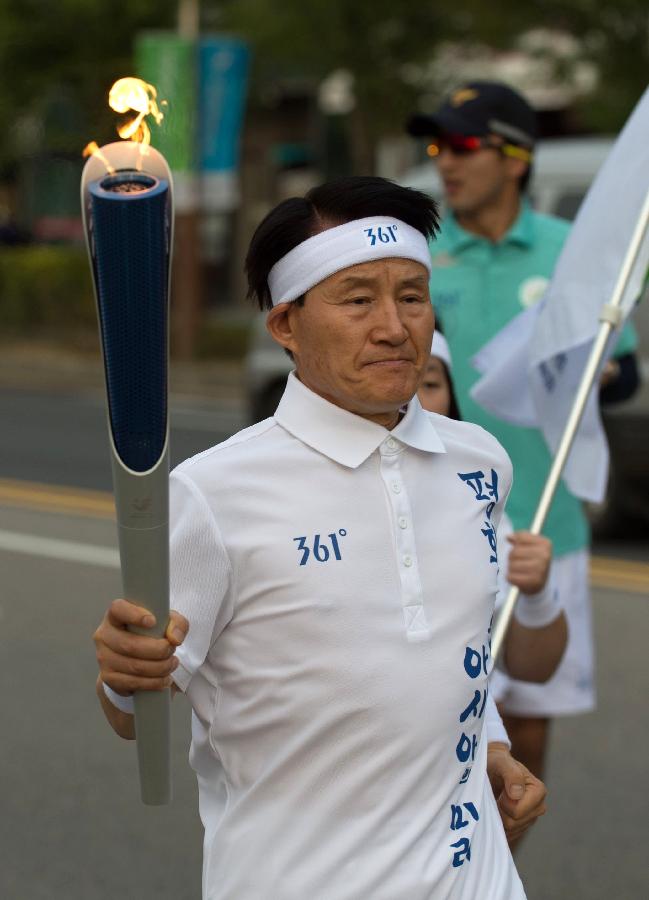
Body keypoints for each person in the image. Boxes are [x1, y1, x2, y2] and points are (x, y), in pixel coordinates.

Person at [94, 176, 548, 899]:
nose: (394, 327)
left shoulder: (478, 462)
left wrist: (487, 743)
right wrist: (126, 674)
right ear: (285, 326)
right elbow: (132, 712)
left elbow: (448, 645)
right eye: (357, 298)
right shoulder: (216, 494)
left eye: (411, 296)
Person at [407, 81, 638, 782]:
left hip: (540, 527)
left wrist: (595, 377)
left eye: (465, 145)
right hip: (430, 525)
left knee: (524, 748)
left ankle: (486, 886)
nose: (446, 161)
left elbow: (623, 375)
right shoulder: (417, 252)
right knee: (429, 733)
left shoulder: (575, 251)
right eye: (438, 145)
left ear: (515, 158)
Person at [418, 331, 568, 691]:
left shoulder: (476, 502)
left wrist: (537, 597)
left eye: (429, 383)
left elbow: (532, 669)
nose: (413, 400)